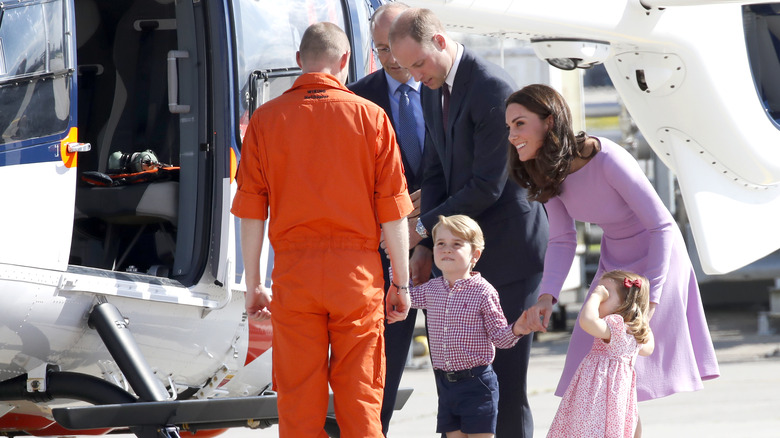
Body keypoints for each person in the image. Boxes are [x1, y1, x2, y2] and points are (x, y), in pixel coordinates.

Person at [231, 22, 414, 438]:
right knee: (362, 400)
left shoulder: (265, 120)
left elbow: (251, 212)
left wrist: (254, 285)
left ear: (299, 61)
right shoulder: (372, 118)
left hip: (295, 277)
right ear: (346, 61)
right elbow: (393, 214)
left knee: (297, 402)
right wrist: (400, 284)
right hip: (357, 276)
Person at [508, 84, 720, 437]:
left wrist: (650, 303)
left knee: (622, 369)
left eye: (519, 124)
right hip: (615, 264)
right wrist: (548, 296)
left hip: (656, 261)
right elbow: (562, 238)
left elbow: (662, 226)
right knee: (594, 364)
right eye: (509, 127)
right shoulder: (544, 169)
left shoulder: (606, 159)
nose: (512, 135)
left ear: (548, 122)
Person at [389, 8, 549, 437]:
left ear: (440, 41)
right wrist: (425, 247)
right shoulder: (430, 89)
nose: (416, 75)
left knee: (506, 383)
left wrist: (421, 231)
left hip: (509, 251)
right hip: (459, 253)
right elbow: (436, 172)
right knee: (458, 380)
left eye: (419, 63)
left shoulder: (492, 88)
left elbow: (486, 186)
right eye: (406, 68)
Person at [347, 3, 427, 434]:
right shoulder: (356, 98)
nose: (393, 60)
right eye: (382, 49)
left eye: (398, 47)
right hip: (386, 251)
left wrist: (426, 215)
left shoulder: (444, 90)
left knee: (468, 371)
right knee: (382, 366)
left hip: (451, 243)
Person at [396, 214, 534, 438]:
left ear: (475, 255)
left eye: (456, 244)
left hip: (477, 384)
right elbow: (405, 296)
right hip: (446, 385)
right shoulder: (432, 289)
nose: (446, 249)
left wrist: (518, 328)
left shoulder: (483, 292)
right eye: (441, 244)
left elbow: (500, 337)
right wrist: (396, 261)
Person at [547, 270, 655, 438]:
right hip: (617, 396)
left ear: (623, 304)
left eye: (606, 293)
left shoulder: (616, 325)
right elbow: (648, 348)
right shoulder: (634, 334)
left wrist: (596, 296)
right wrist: (642, 320)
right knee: (617, 427)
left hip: (596, 394)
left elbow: (587, 320)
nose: (599, 295)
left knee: (587, 427)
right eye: (600, 291)